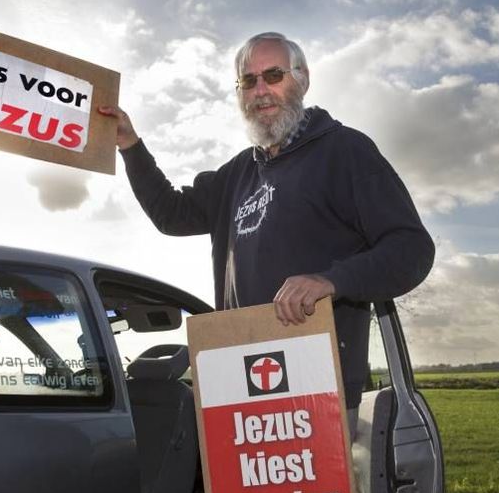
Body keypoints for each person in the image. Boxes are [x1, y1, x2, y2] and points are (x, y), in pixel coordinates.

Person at [98, 31, 434, 420]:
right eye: (248, 80)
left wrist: (331, 280)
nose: (261, 90)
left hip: (319, 390)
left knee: (317, 485)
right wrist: (131, 146)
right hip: (239, 382)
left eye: (273, 75)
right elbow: (171, 214)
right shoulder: (236, 173)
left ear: (302, 78)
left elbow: (412, 249)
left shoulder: (345, 152)